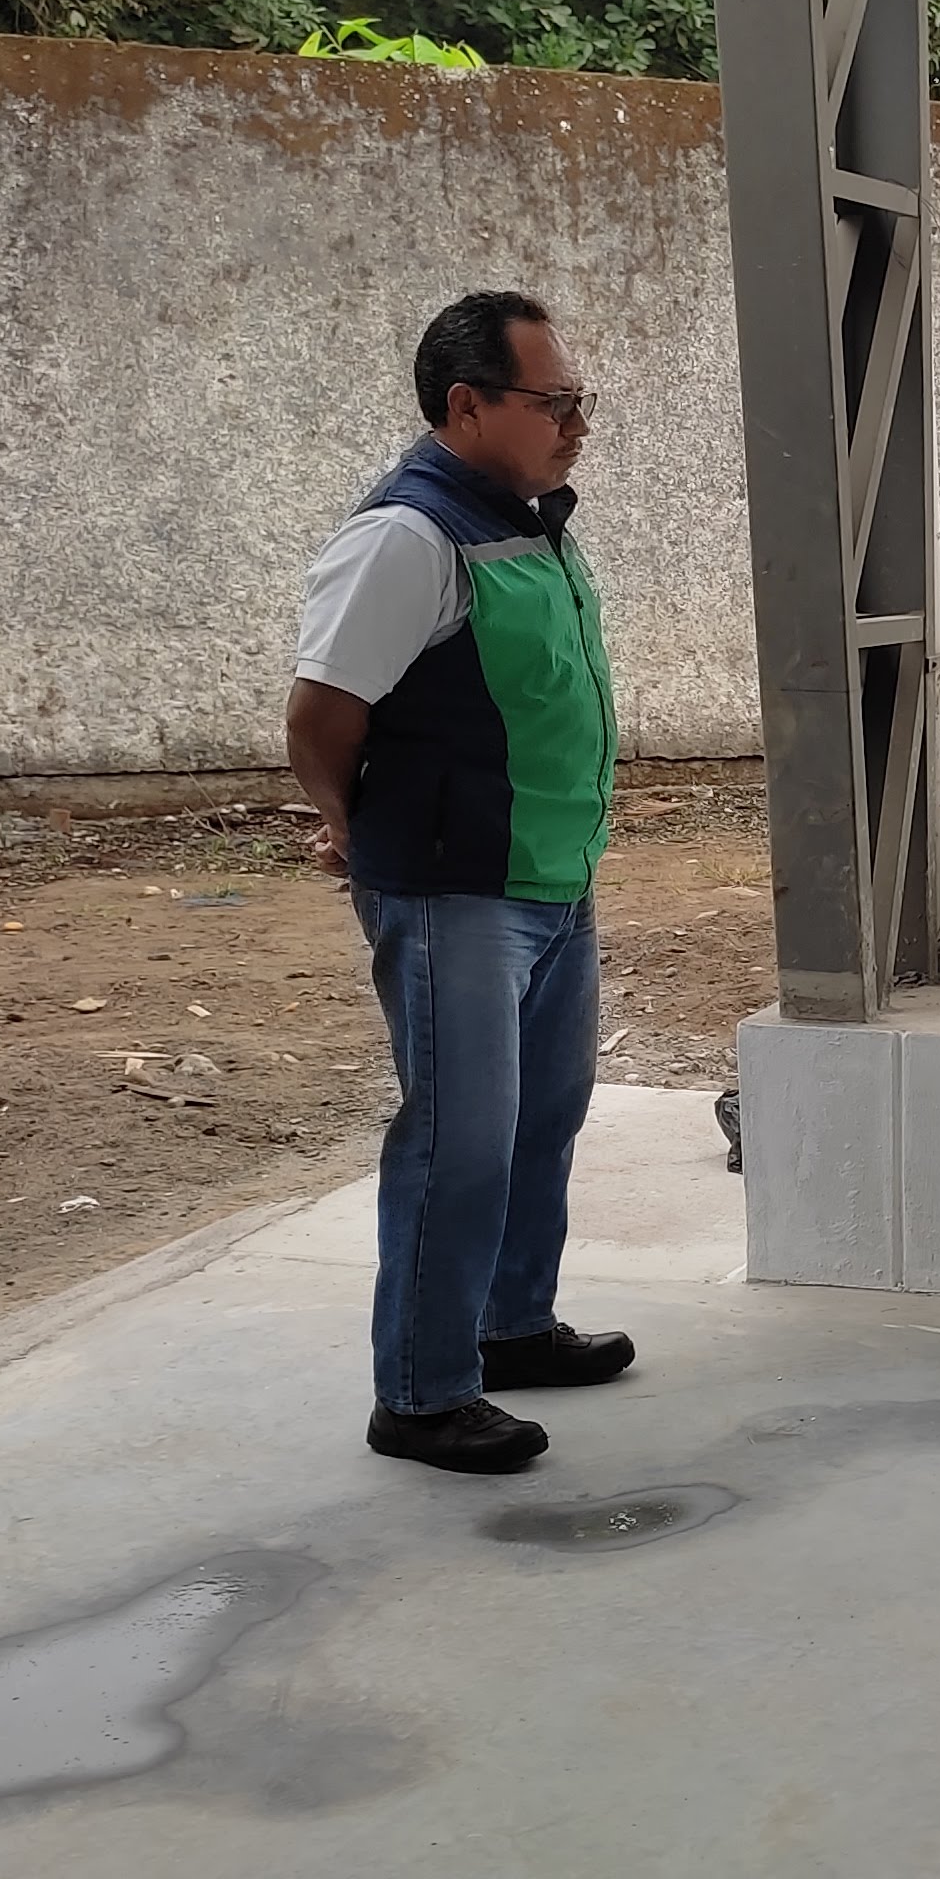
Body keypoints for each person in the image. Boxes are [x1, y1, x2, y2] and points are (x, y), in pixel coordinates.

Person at [285, 290, 638, 1476]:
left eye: (579, 401)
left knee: (543, 1119)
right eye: (554, 402)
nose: (575, 425)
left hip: (550, 880)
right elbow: (321, 715)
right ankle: (422, 1395)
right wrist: (351, 825)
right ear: (466, 405)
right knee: (461, 1141)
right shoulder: (406, 538)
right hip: (455, 893)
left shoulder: (524, 520)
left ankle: (511, 1326)